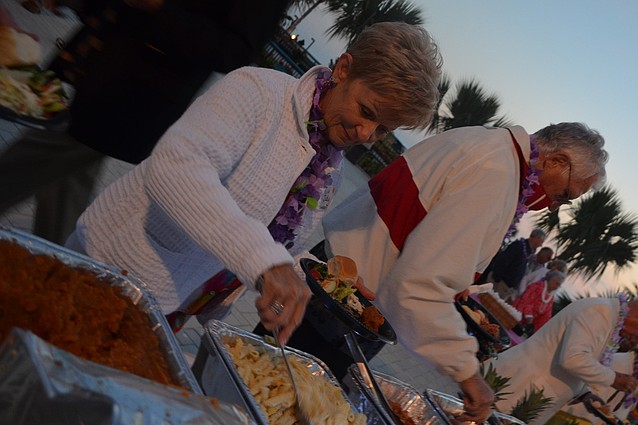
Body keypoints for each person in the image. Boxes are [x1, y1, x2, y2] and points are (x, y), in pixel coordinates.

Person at [65, 22, 443, 343]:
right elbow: (177, 166)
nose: (365, 133)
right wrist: (264, 263)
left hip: (170, 307)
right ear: (344, 69)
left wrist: (321, 281)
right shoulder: (257, 91)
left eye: (382, 131)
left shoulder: (330, 167)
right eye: (366, 112)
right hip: (110, 270)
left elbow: (270, 237)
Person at [298, 122, 610, 423]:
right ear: (555, 160)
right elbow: (421, 283)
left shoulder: (492, 147)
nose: (556, 206)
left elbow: (425, 241)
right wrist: (467, 373)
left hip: (348, 285)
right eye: (565, 196)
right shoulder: (496, 173)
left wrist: (459, 282)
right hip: (345, 304)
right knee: (287, 410)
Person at [0, 0, 297, 244]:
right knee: (64, 188)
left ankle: (56, 274)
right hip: (92, 60)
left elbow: (234, 51)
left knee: (34, 158)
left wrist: (160, 8)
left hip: (127, 93)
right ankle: (58, 275)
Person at [493, 294, 638, 425]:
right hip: (515, 390)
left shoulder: (610, 319)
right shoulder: (600, 312)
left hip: (529, 399)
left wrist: (583, 393)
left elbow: (581, 358)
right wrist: (614, 378)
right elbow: (573, 358)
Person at [482, 228, 547, 302]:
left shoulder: (528, 252)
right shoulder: (518, 246)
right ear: (536, 238)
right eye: (541, 241)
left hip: (506, 287)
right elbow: (503, 260)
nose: (541, 245)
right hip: (499, 283)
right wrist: (497, 278)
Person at [513, 269, 565, 334]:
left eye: (559, 285)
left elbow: (546, 314)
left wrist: (543, 329)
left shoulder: (551, 297)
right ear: (550, 280)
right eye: (556, 284)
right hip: (515, 314)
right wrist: (529, 316)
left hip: (524, 323)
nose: (557, 287)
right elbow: (526, 301)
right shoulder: (537, 286)